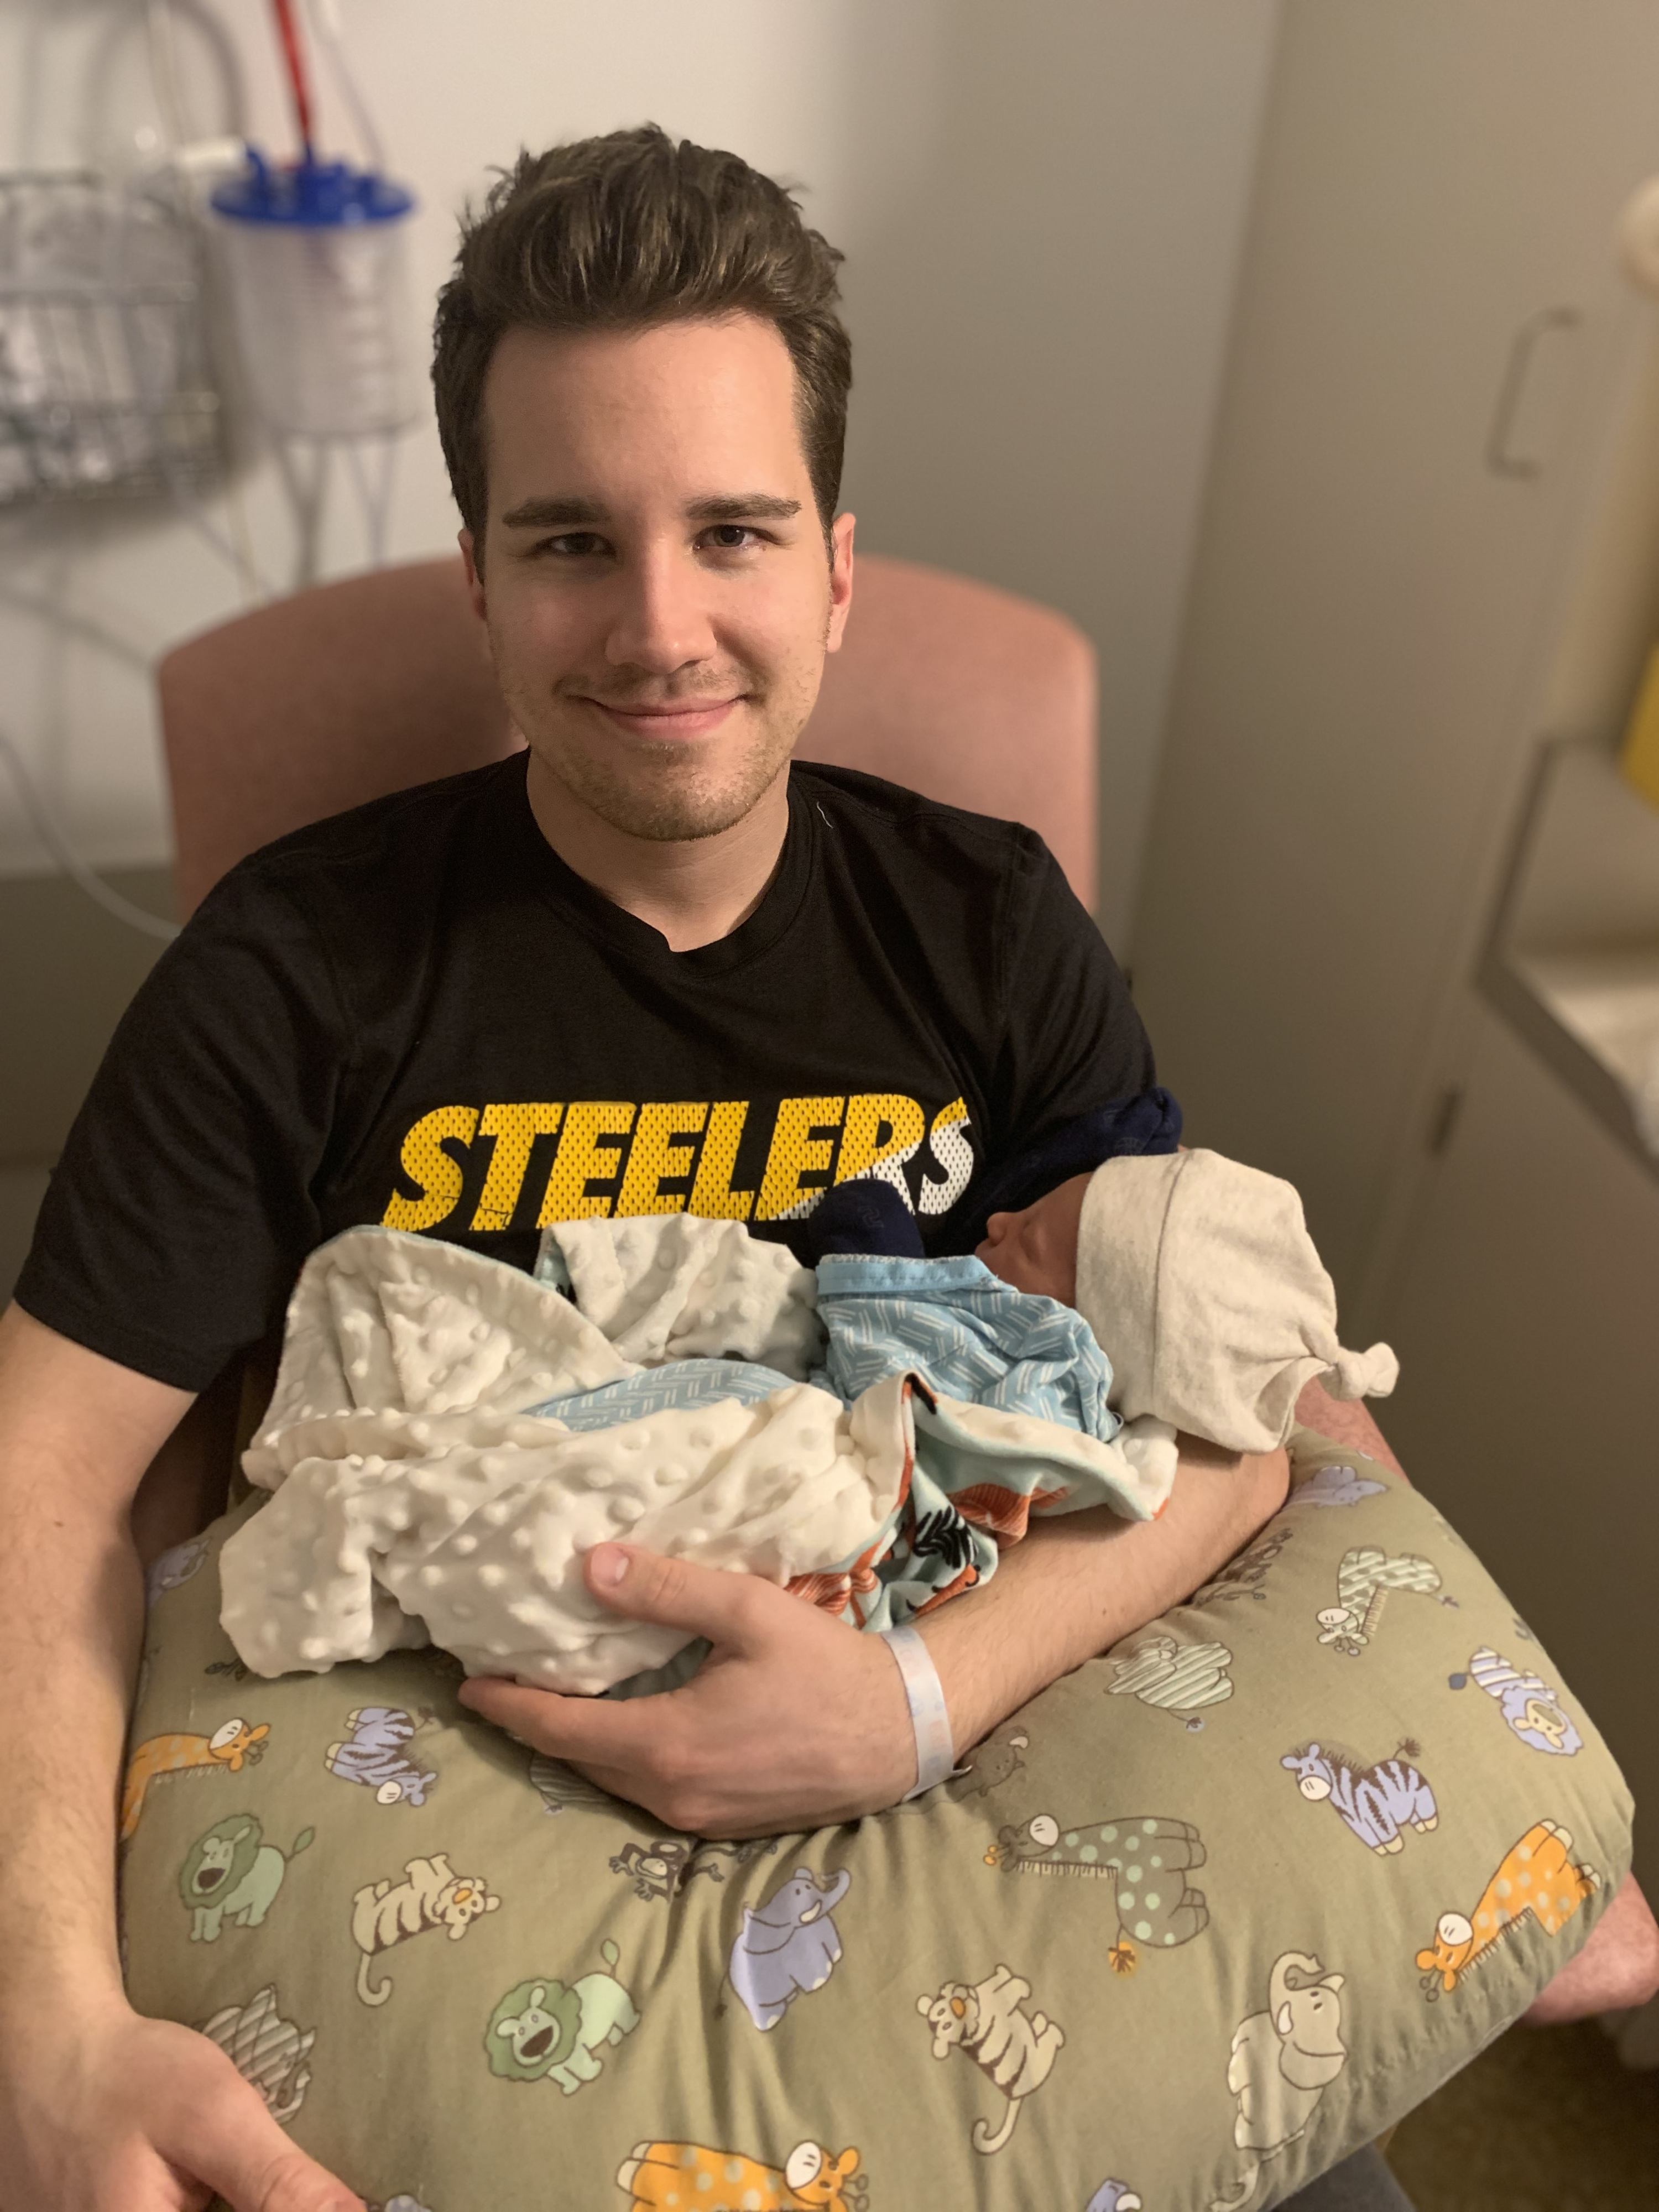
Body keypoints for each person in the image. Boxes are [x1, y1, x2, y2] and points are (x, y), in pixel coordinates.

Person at [0, 122, 1431, 2212]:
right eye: (573, 542)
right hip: (460, 1822)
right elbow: (40, 1477)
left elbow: (1233, 1402)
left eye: (733, 533)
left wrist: (914, 1702)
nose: (660, 628)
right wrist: (45, 2028)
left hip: (975, 1741)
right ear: (481, 579)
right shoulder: (293, 974)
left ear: (835, 570)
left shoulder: (989, 926)